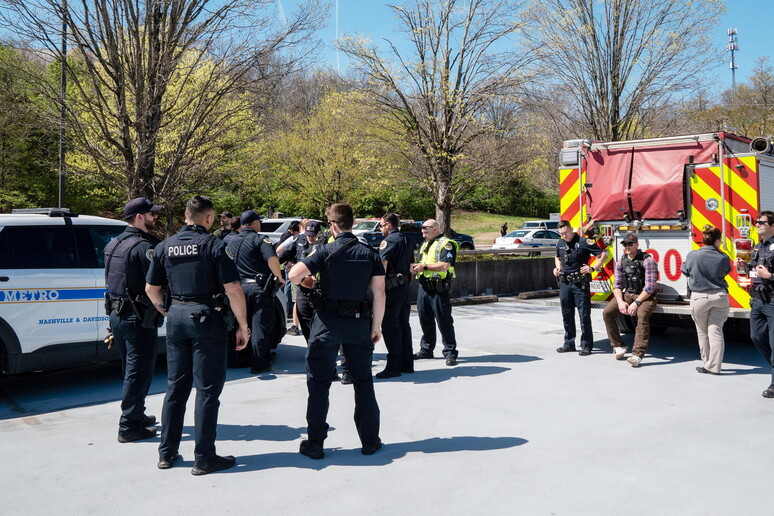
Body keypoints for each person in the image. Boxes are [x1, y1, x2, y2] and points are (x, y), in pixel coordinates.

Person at [145, 195, 249, 475]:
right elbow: (233, 288)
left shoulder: (165, 246)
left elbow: (151, 289)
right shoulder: (214, 245)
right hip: (205, 318)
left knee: (175, 388)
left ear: (185, 216)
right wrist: (243, 325)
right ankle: (204, 458)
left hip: (176, 316)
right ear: (208, 218)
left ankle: (166, 453)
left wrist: (168, 312)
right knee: (207, 391)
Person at [289, 203, 385, 459]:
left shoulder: (325, 251)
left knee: (319, 384)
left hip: (326, 324)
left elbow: (294, 274)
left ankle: (316, 444)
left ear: (332, 225)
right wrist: (376, 327)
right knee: (363, 383)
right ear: (351, 223)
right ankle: (370, 441)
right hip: (358, 324)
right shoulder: (370, 253)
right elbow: (379, 292)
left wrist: (307, 281)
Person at [104, 197, 163, 443]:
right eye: (151, 214)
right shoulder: (142, 247)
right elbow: (157, 282)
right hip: (136, 318)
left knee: (130, 369)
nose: (155, 217)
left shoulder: (114, 244)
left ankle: (136, 413)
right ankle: (129, 427)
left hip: (117, 315)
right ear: (139, 217)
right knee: (139, 371)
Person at [228, 209, 285, 374]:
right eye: (258, 222)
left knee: (239, 324)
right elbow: (272, 258)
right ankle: (259, 364)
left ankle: (238, 358)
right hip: (258, 289)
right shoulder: (261, 239)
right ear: (253, 223)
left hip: (237, 289)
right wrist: (278, 276)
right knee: (260, 326)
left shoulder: (230, 241)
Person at [601, 233, 658, 367]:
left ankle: (637, 355)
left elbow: (650, 286)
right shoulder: (621, 261)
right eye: (625, 244)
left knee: (642, 316)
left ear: (637, 245)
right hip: (629, 293)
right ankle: (618, 346)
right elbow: (617, 285)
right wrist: (620, 302)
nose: (627, 247)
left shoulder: (647, 260)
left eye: (630, 244)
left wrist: (637, 303)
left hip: (646, 295)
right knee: (607, 313)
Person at [681, 225, 731, 375]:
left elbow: (685, 270)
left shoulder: (692, 255)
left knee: (702, 333)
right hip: (720, 296)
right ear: (716, 241)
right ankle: (715, 368)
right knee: (716, 333)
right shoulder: (723, 257)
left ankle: (706, 364)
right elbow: (726, 271)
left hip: (700, 297)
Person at [554, 220, 607, 356]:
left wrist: (592, 268)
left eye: (565, 232)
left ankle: (586, 346)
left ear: (571, 229)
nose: (563, 236)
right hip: (565, 283)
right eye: (561, 233)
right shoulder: (560, 243)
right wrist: (558, 267)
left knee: (584, 316)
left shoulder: (583, 242)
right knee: (567, 315)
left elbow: (603, 255)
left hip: (579, 284)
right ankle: (569, 343)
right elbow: (557, 257)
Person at [411, 219, 459, 366]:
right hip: (424, 287)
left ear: (435, 228)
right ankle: (426, 350)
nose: (422, 231)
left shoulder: (447, 244)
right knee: (425, 320)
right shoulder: (425, 244)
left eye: (425, 228)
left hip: (439, 288)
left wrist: (424, 267)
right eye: (422, 229)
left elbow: (445, 265)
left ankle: (450, 353)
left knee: (444, 321)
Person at [376, 212, 413, 378]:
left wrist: (378, 289)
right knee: (403, 325)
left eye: (382, 225)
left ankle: (394, 366)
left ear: (389, 225)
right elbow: (411, 266)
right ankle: (407, 364)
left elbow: (382, 265)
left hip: (392, 288)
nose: (381, 229)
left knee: (390, 327)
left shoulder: (389, 241)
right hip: (405, 286)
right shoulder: (406, 239)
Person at [742, 210, 774, 397]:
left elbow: (766, 274)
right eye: (757, 222)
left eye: (761, 222)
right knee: (756, 336)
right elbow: (754, 270)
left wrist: (769, 276)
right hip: (757, 301)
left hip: (772, 300)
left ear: (772, 225)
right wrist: (745, 266)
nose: (758, 225)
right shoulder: (757, 247)